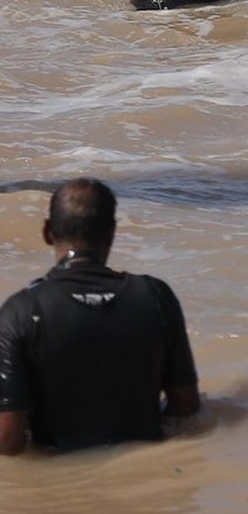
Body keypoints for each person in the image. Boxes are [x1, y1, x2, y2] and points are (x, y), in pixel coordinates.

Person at [0, 179, 200, 454]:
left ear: (47, 232)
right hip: (142, 476)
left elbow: (8, 441)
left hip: (64, 481)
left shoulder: (21, 311)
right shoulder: (155, 296)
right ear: (112, 233)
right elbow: (186, 407)